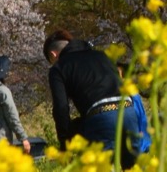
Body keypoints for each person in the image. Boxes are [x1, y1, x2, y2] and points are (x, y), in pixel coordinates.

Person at [43, 30, 140, 168]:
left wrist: (65, 144)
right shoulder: (101, 56)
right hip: (128, 112)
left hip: (102, 118)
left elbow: (61, 108)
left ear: (53, 54)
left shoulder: (58, 68)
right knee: (133, 167)